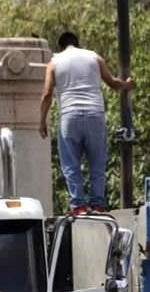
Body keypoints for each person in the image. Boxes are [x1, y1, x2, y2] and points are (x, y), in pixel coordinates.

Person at [39, 31, 134, 215]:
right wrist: (127, 85)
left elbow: (46, 95)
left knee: (71, 164)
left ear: (61, 46)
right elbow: (113, 83)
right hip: (95, 115)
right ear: (77, 43)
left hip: (69, 116)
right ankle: (98, 204)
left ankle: (79, 206)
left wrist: (42, 121)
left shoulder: (54, 62)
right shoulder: (93, 57)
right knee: (97, 163)